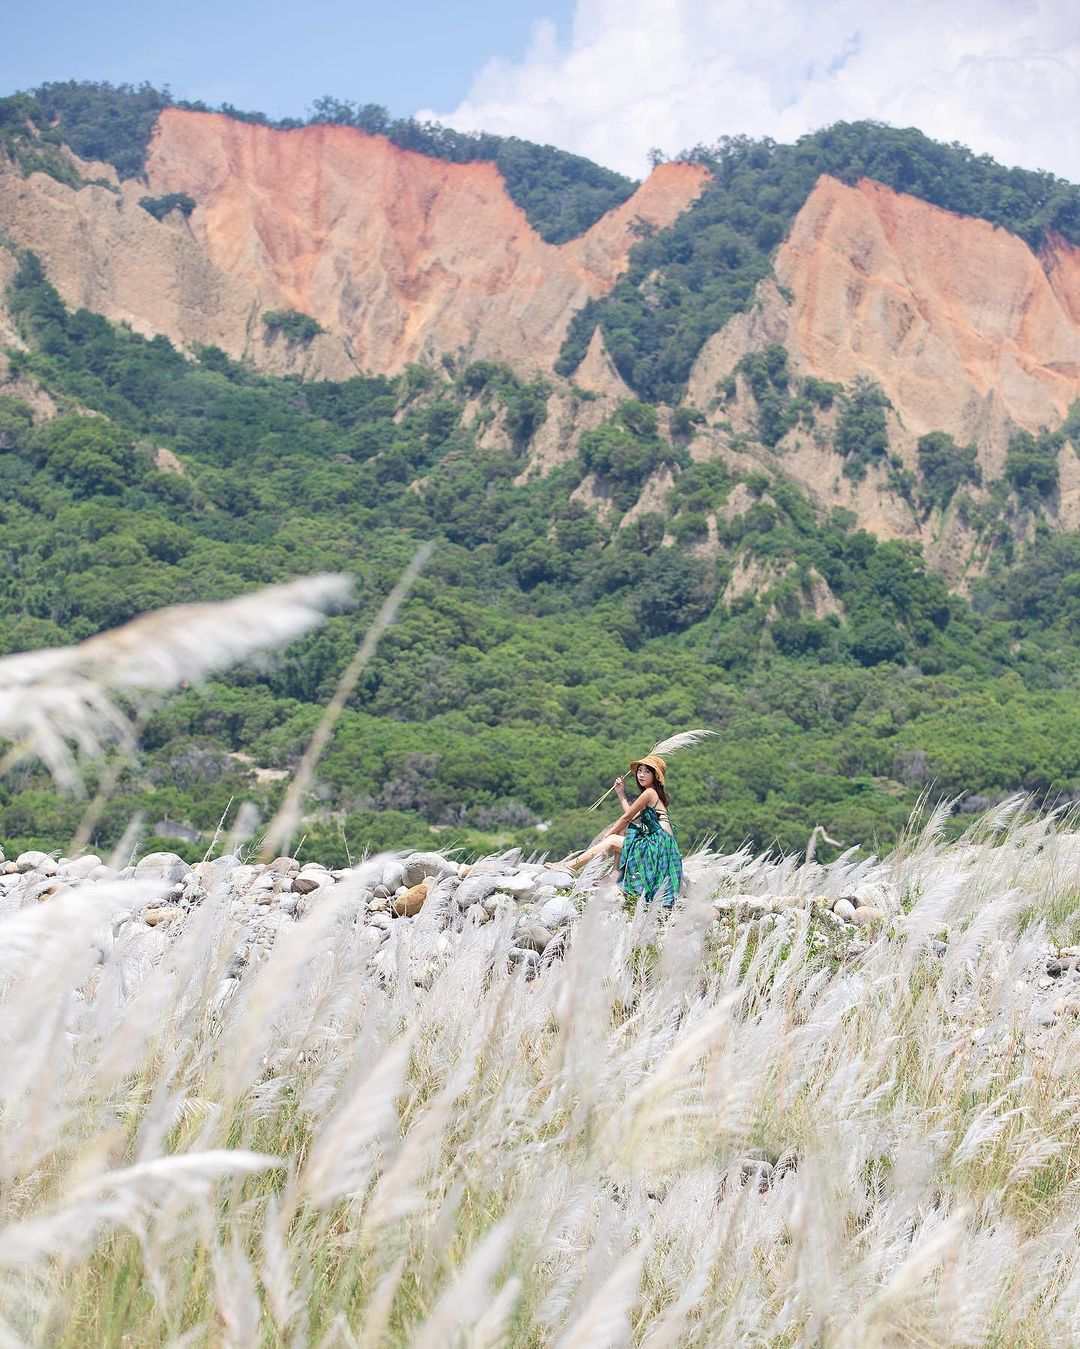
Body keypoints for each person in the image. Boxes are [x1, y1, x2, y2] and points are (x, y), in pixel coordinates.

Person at [565, 754, 683, 908]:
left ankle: (570, 866)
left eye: (647, 771)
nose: (641, 774)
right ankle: (615, 874)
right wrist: (621, 793)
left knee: (614, 838)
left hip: (659, 848)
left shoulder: (649, 793)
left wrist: (608, 836)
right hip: (661, 847)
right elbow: (631, 816)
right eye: (640, 770)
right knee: (622, 833)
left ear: (656, 776)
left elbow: (626, 818)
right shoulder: (652, 793)